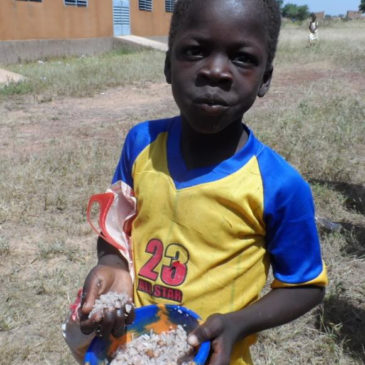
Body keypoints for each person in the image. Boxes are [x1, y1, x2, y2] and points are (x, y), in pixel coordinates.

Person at [63, 0, 328, 364]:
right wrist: (113, 266)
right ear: (169, 64)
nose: (216, 71)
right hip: (134, 349)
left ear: (265, 78)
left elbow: (305, 286)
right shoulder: (140, 144)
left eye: (242, 58)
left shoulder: (279, 185)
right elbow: (115, 230)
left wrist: (238, 324)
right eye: (196, 51)